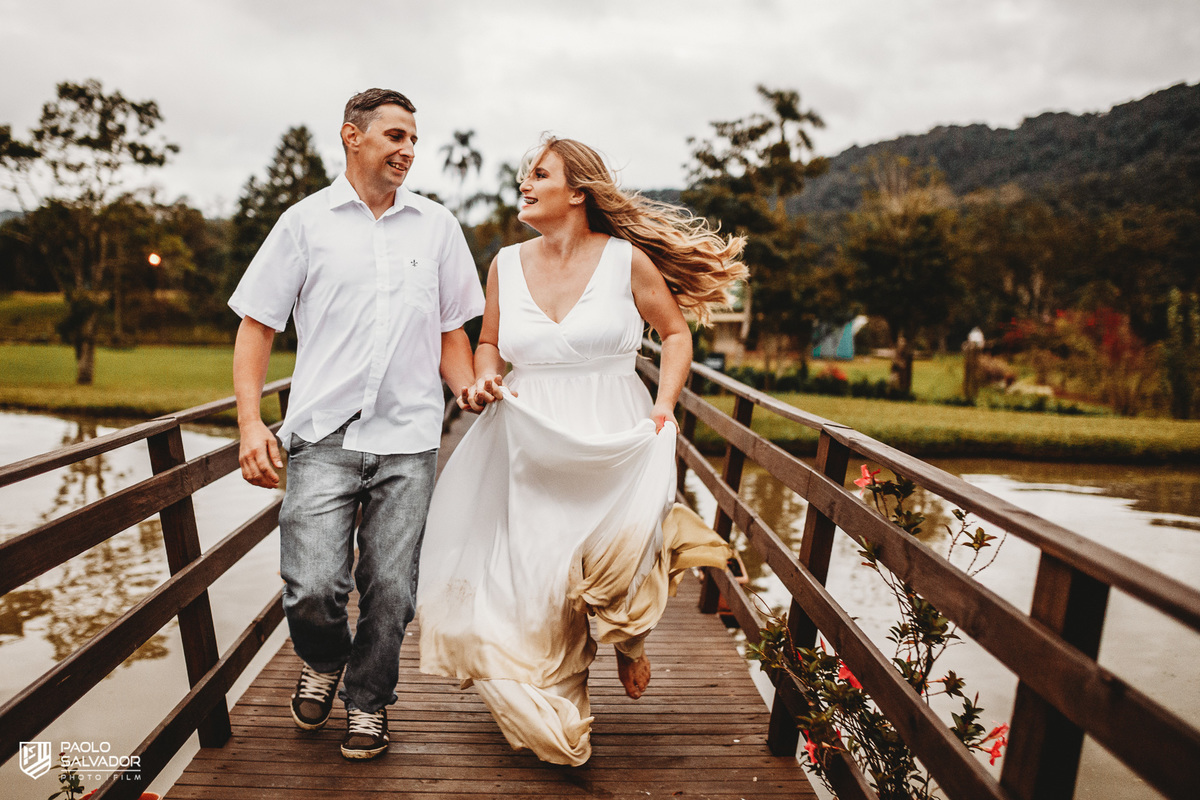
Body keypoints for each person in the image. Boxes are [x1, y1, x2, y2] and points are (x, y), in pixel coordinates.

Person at [416, 136, 746, 766]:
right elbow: (488, 343)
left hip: (613, 436)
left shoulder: (625, 261)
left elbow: (675, 335)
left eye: (539, 174)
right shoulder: (505, 266)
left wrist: (663, 407)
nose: (525, 183)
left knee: (614, 563)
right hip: (530, 439)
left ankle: (628, 639)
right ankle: (561, 704)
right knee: (539, 578)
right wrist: (486, 375)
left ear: (576, 192)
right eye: (525, 175)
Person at [229, 88, 484, 760]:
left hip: (410, 439)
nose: (407, 150)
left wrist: (468, 386)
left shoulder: (437, 228)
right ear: (352, 136)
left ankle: (369, 703)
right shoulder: (303, 224)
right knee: (313, 586)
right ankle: (324, 658)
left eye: (412, 140)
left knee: (392, 589)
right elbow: (256, 325)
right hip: (323, 436)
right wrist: (251, 423)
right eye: (394, 136)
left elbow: (451, 332)